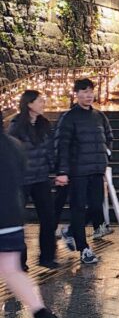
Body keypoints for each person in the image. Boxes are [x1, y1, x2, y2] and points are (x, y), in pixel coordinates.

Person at [0, 119, 62, 318]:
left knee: (10, 269)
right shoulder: (15, 145)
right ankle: (42, 316)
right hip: (12, 217)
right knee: (11, 270)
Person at [54, 78, 113, 265]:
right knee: (78, 209)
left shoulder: (99, 115)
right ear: (76, 94)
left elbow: (109, 136)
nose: (88, 95)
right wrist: (62, 171)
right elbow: (62, 145)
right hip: (77, 171)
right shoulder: (69, 117)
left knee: (96, 206)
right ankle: (84, 249)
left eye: (90, 91)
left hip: (96, 169)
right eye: (84, 91)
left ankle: (71, 231)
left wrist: (106, 155)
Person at [8, 90, 58, 269]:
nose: (43, 103)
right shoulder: (16, 126)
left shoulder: (44, 124)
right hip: (22, 179)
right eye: (40, 101)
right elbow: (11, 150)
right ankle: (20, 261)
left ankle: (47, 257)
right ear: (29, 104)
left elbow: (50, 149)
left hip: (41, 177)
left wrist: (56, 169)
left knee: (48, 218)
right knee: (18, 219)